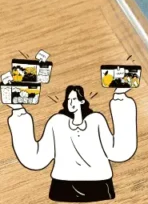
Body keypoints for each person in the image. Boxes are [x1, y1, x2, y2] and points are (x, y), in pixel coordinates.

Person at [7, 85, 137, 202]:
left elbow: (118, 149)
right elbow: (37, 156)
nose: (71, 103)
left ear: (81, 101)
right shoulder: (57, 122)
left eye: (74, 99)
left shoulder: (96, 120)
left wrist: (120, 98)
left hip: (99, 184)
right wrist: (18, 111)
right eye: (69, 100)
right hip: (64, 186)